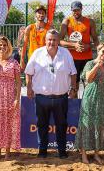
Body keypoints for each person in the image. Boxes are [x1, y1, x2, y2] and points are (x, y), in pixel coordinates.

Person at [25, 29, 77, 159]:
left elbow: (73, 73)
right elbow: (28, 72)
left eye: (54, 39)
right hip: (42, 98)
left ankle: (62, 150)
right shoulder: (37, 53)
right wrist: (29, 87)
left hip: (61, 98)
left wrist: (73, 88)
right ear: (45, 40)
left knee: (61, 125)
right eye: (49, 39)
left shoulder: (66, 54)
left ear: (58, 41)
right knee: (41, 125)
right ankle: (42, 150)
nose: (52, 42)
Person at [75, 43, 104, 164]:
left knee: (100, 125)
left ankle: (96, 154)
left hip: (103, 99)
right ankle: (84, 155)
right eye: (103, 52)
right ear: (98, 50)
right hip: (90, 98)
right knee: (86, 124)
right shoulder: (90, 63)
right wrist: (97, 65)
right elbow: (88, 79)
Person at [60, 1, 99, 97]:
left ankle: (87, 108)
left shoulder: (90, 21)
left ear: (81, 9)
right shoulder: (67, 21)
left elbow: (96, 41)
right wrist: (74, 45)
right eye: (73, 10)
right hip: (72, 58)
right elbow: (59, 41)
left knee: (88, 84)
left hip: (87, 58)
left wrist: (88, 46)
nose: (75, 12)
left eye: (77, 10)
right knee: (74, 86)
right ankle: (75, 109)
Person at [20, 5, 50, 71]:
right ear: (35, 14)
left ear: (45, 15)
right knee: (31, 80)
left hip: (45, 59)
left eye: (43, 13)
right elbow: (24, 45)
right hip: (32, 59)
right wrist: (22, 60)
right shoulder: (30, 28)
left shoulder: (49, 28)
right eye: (39, 13)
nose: (41, 15)